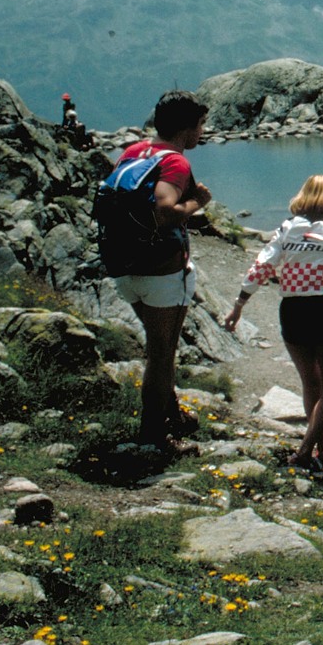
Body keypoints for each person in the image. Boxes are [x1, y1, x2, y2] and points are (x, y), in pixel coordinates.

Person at [222, 175, 323, 472]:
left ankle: (321, 445)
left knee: (311, 383)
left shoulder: (287, 228)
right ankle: (305, 450)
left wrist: (239, 305)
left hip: (291, 311)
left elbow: (262, 266)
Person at [107, 90, 213, 455]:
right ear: (186, 128)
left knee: (159, 345)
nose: (202, 132)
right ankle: (154, 436)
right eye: (200, 125)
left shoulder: (133, 152)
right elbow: (165, 210)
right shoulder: (176, 162)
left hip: (123, 267)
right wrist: (197, 201)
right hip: (162, 272)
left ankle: (172, 414)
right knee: (162, 353)